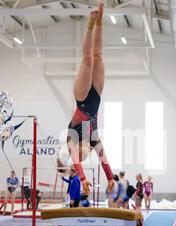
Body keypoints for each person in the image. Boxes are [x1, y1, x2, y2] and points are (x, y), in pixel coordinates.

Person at [63, 1, 114, 197]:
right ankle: (100, 19)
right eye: (85, 156)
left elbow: (75, 160)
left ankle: (91, 23)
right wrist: (110, 178)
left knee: (88, 60)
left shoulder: (71, 138)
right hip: (97, 95)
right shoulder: (94, 139)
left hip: (83, 98)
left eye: (81, 155)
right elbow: (104, 158)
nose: (82, 156)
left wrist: (83, 178)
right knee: (98, 56)